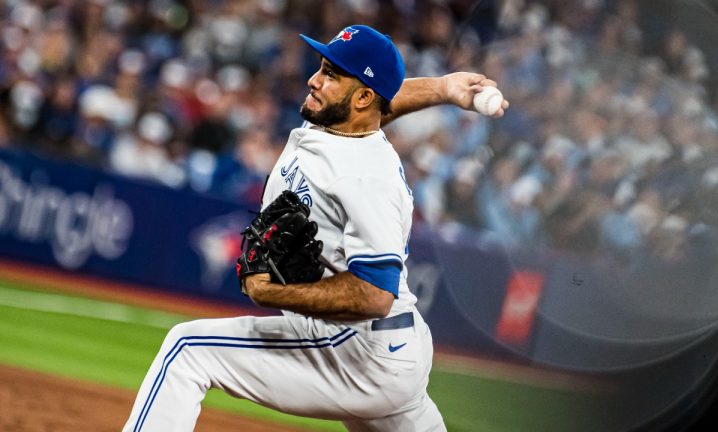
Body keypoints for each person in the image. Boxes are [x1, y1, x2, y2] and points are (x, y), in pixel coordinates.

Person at [122, 24, 507, 432]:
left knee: (188, 349)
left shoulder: (365, 179)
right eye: (322, 66)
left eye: (331, 73)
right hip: (389, 347)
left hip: (360, 350)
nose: (314, 79)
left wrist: (274, 292)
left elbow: (376, 294)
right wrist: (444, 88)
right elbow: (384, 103)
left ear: (360, 97)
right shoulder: (339, 120)